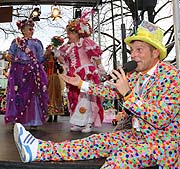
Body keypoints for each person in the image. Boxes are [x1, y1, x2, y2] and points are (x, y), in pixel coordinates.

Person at [13, 20, 179, 168]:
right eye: (132, 50)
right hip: (136, 135)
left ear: (155, 52)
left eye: (139, 50)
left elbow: (161, 118)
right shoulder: (136, 75)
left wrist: (128, 95)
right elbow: (110, 91)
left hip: (162, 142)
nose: (133, 55)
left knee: (118, 161)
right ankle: (37, 150)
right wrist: (81, 84)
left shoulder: (171, 76)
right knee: (92, 142)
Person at [55, 11, 106, 133]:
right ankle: (79, 122)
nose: (68, 35)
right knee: (76, 99)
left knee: (87, 98)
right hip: (75, 75)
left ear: (78, 33)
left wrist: (100, 68)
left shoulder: (85, 42)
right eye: (68, 33)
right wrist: (56, 54)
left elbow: (95, 55)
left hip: (86, 72)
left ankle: (88, 122)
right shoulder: (68, 47)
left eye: (71, 33)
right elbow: (65, 62)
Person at [4, 19, 48, 130]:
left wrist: (47, 54)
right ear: (23, 30)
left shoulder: (37, 43)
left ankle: (34, 120)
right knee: (19, 95)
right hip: (19, 71)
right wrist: (8, 56)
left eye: (32, 28)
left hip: (32, 71)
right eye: (29, 28)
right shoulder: (16, 42)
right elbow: (10, 54)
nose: (31, 30)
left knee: (33, 94)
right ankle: (19, 119)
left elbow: (40, 59)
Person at [44, 42, 64, 122]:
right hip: (47, 78)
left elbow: (61, 70)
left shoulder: (56, 61)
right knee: (48, 95)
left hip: (54, 78)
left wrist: (58, 66)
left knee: (55, 95)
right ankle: (49, 114)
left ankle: (54, 114)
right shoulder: (45, 60)